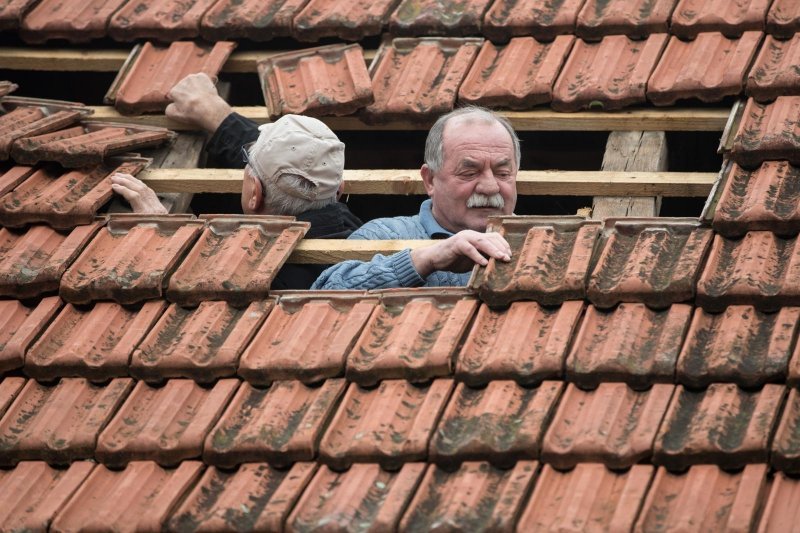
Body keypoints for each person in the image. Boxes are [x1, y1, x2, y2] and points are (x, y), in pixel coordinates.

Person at [110, 74, 362, 289]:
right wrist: (217, 115)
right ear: (339, 189)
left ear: (255, 194)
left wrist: (160, 233)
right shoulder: (349, 229)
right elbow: (291, 160)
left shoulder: (258, 278)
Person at [312, 106, 517, 290]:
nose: (490, 187)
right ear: (430, 180)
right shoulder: (383, 236)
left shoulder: (542, 241)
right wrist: (424, 260)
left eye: (503, 173)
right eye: (469, 173)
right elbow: (322, 297)